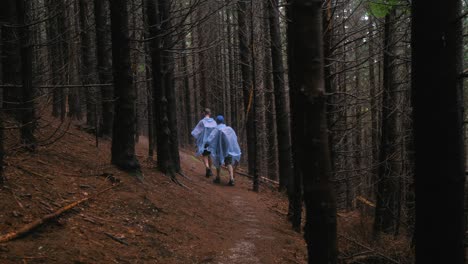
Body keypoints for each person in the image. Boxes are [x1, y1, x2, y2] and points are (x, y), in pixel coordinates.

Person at [206, 115, 241, 186]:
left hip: (218, 149)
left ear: (217, 121)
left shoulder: (216, 129)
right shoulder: (229, 129)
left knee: (217, 162)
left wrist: (206, 144)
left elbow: (210, 138)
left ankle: (218, 177)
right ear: (223, 121)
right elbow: (234, 138)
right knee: (229, 163)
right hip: (228, 149)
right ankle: (231, 179)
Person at [191, 108, 217, 177]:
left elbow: (196, 132)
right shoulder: (214, 122)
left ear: (204, 113)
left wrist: (198, 137)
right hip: (211, 141)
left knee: (205, 155)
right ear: (209, 113)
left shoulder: (202, 122)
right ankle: (210, 170)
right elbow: (216, 132)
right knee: (210, 155)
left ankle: (207, 167)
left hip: (204, 141)